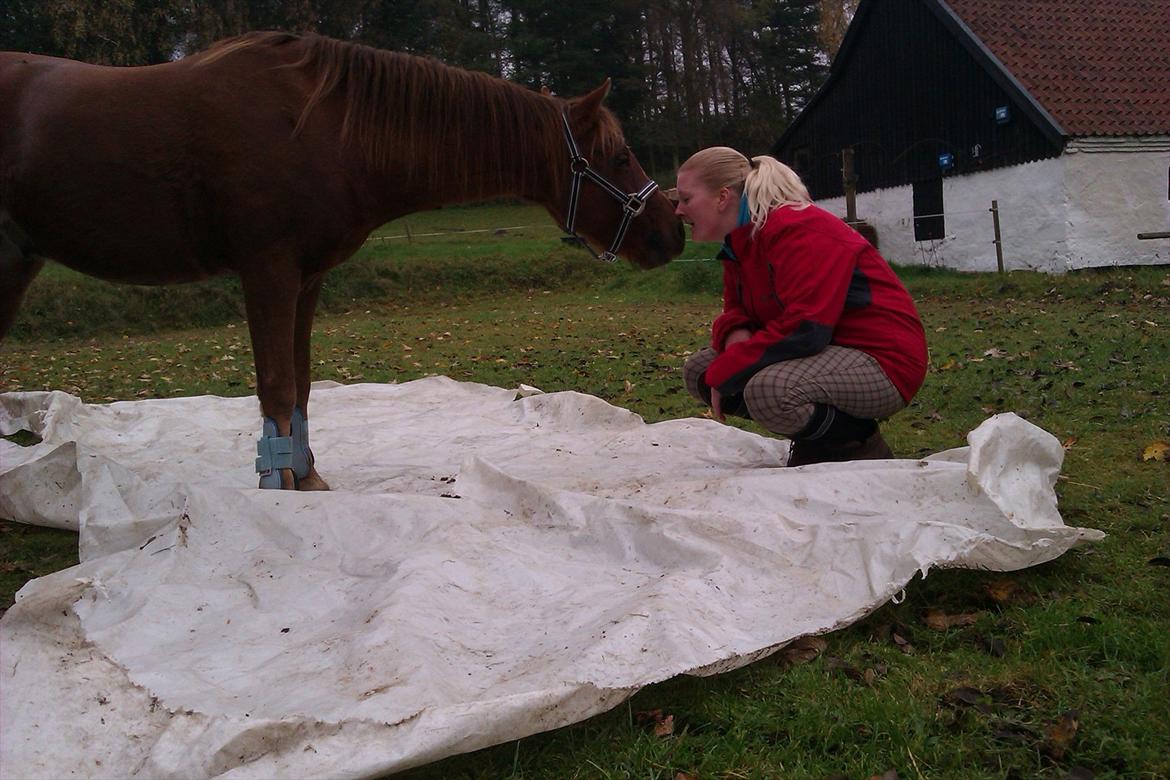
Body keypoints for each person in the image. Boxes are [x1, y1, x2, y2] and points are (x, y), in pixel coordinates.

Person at [674, 148, 928, 466]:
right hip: (827, 351)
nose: (678, 211)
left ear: (722, 197)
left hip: (883, 361)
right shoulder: (740, 240)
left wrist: (732, 366)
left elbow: (806, 328)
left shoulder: (796, 229)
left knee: (769, 391)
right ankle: (820, 439)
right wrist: (735, 334)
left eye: (685, 199)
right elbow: (737, 309)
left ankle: (857, 445)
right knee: (700, 371)